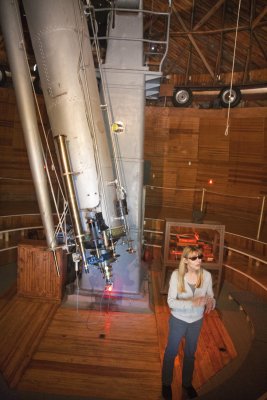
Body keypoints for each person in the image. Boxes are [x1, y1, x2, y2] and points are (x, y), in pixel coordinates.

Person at [162, 245, 215, 400]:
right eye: (194, 258)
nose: (198, 260)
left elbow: (210, 295)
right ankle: (166, 384)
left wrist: (211, 301)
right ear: (185, 260)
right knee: (171, 352)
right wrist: (193, 302)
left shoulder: (206, 276)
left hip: (196, 321)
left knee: (190, 354)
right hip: (178, 320)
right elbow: (171, 302)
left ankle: (186, 383)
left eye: (200, 257)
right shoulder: (176, 276)